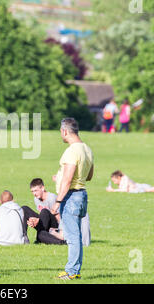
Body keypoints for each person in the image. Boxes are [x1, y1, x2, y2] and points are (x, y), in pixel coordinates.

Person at [51, 117, 94, 280]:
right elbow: (89, 176)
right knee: (75, 235)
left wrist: (57, 202)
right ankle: (73, 269)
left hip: (71, 197)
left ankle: (72, 271)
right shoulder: (87, 149)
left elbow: (68, 180)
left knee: (72, 236)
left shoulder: (71, 151)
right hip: (82, 194)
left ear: (65, 131)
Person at [22, 178, 65, 245]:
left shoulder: (52, 198)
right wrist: (34, 221)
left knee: (44, 211)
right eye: (32, 191)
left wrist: (60, 232)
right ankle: (24, 238)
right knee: (24, 209)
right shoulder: (36, 199)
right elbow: (42, 217)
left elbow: (60, 218)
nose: (34, 194)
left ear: (42, 188)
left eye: (36, 190)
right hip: (44, 223)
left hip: (55, 225)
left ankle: (40, 237)